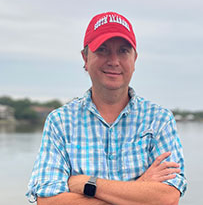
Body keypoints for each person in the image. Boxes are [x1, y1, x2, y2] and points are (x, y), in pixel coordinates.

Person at [26, 12, 187, 205]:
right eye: (102, 50)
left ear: (135, 59)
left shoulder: (159, 120)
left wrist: (87, 183)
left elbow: (167, 198)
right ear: (85, 58)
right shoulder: (60, 122)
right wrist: (140, 189)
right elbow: (48, 201)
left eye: (123, 51)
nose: (113, 60)